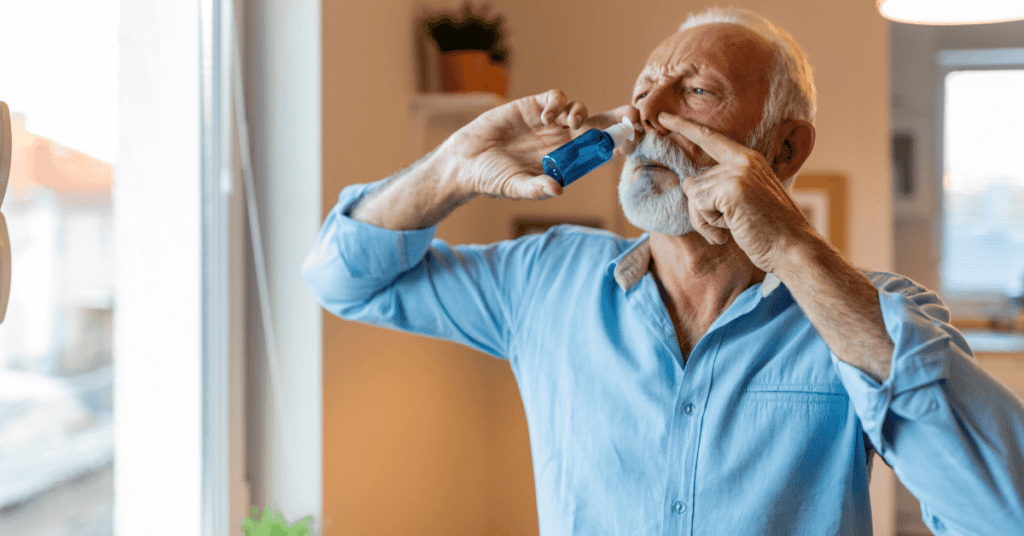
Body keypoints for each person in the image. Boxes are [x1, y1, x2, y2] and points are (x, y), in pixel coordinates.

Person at [303, 7, 1024, 535]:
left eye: (696, 91)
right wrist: (450, 168)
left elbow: (1002, 512)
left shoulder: (869, 315)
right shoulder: (543, 281)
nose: (645, 112)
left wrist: (795, 249)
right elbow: (341, 280)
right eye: (644, 86)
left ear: (783, 149)